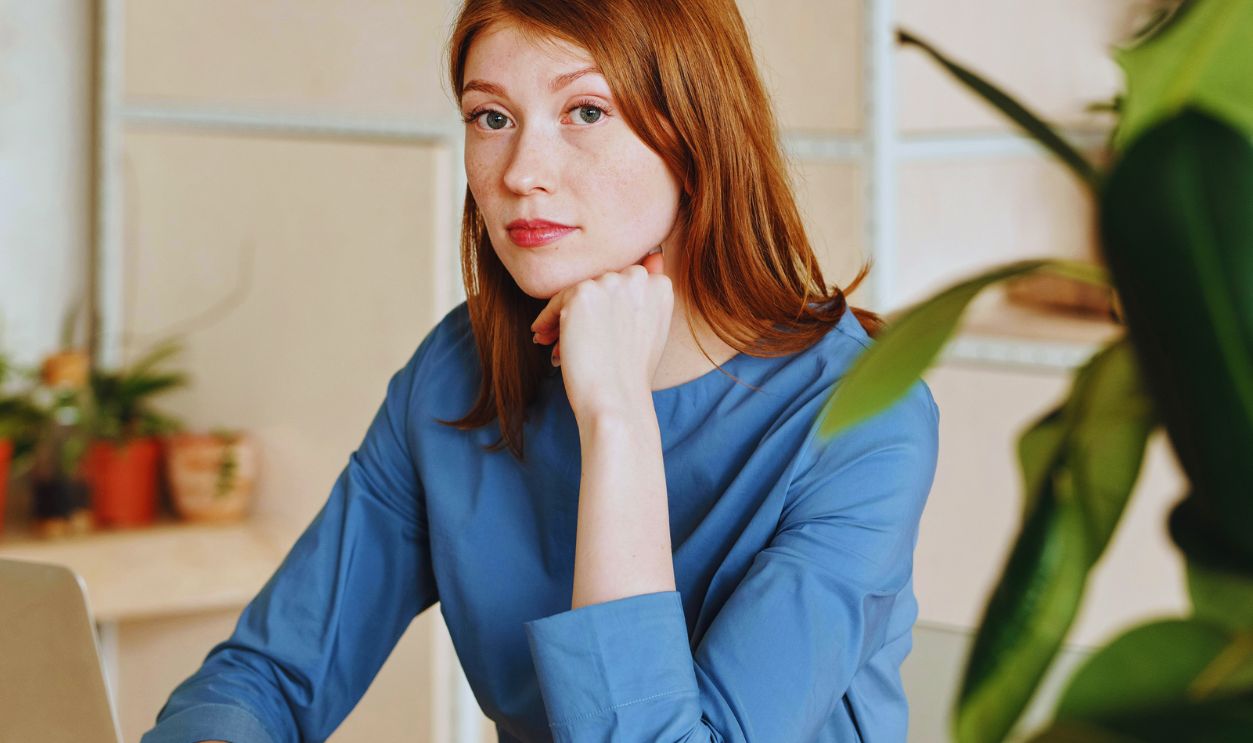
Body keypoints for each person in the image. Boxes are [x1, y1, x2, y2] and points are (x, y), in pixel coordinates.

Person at [141, 1, 940, 741]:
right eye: (491, 117)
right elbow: (269, 676)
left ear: (696, 133)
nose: (521, 172)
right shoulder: (455, 374)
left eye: (585, 111)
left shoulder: (863, 419)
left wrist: (615, 416)